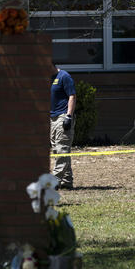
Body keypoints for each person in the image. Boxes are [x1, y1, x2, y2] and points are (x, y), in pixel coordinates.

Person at [50, 61, 76, 190]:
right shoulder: (48, 78)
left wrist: (69, 116)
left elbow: (72, 96)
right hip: (52, 118)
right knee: (57, 149)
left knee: (62, 149)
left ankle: (54, 182)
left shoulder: (64, 76)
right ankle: (67, 180)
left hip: (63, 116)